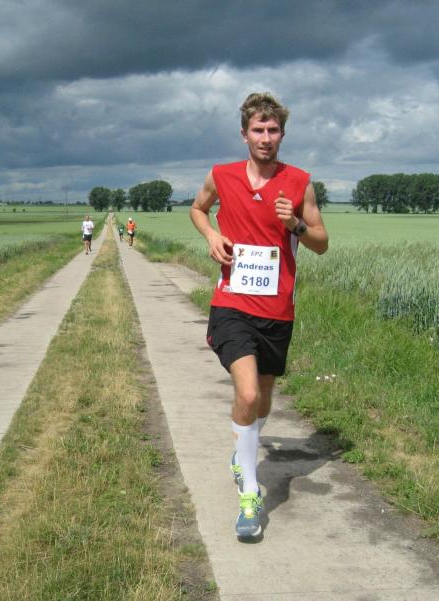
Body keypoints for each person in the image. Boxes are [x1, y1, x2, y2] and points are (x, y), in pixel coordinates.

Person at [190, 92, 328, 540]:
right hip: (231, 304)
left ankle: (243, 449)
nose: (265, 138)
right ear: (244, 134)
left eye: (273, 130)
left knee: (262, 399)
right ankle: (250, 493)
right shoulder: (221, 175)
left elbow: (321, 242)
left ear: (282, 134)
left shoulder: (300, 182)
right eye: (257, 130)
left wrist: (295, 226)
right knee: (247, 393)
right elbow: (197, 208)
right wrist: (211, 235)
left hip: (277, 310)